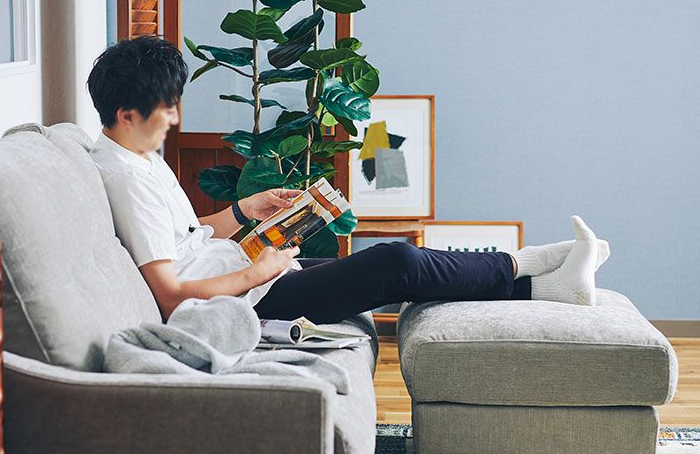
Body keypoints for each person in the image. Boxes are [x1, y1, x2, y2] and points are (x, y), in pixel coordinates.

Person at [87, 36, 610, 324]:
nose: (174, 117)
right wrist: (256, 272)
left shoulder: (139, 156)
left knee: (401, 268)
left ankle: (548, 286)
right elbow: (171, 295)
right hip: (246, 298)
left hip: (241, 273)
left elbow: (184, 238)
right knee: (395, 261)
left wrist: (245, 210)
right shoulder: (124, 178)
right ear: (127, 112)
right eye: (164, 106)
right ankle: (531, 262)